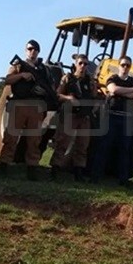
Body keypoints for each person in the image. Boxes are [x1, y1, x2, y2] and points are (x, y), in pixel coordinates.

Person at [0, 39, 57, 181]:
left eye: (35, 49)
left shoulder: (44, 69)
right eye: (30, 49)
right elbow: (7, 80)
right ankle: (3, 165)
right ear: (26, 51)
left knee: (34, 139)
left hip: (36, 107)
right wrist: (22, 75)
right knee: (11, 136)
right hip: (20, 104)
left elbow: (51, 88)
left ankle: (32, 168)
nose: (33, 52)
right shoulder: (19, 65)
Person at [91, 56, 133, 185]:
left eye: (128, 65)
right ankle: (95, 176)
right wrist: (128, 92)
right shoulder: (112, 78)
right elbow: (112, 89)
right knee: (103, 146)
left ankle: (123, 180)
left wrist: (119, 92)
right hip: (111, 116)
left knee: (124, 149)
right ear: (119, 65)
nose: (125, 67)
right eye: (123, 65)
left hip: (126, 119)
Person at [49, 54, 98, 182]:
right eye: (80, 63)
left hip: (84, 116)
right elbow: (58, 94)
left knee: (82, 145)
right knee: (62, 142)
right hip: (70, 115)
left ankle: (78, 173)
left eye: (85, 64)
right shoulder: (68, 78)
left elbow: (94, 96)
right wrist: (69, 98)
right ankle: (55, 170)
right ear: (76, 64)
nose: (83, 66)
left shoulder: (90, 80)